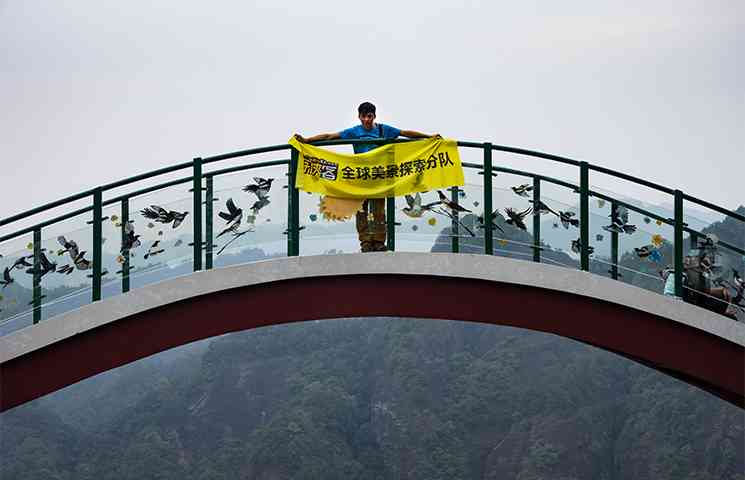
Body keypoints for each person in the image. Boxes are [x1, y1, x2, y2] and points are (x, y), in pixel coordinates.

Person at [294, 101, 439, 252]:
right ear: (359, 117)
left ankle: (378, 242)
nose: (367, 120)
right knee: (361, 211)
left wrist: (428, 137)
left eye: (369, 116)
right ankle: (365, 243)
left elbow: (405, 133)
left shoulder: (384, 130)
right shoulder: (354, 131)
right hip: (360, 178)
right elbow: (329, 136)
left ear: (374, 116)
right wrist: (307, 140)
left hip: (378, 178)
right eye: (363, 116)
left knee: (378, 212)